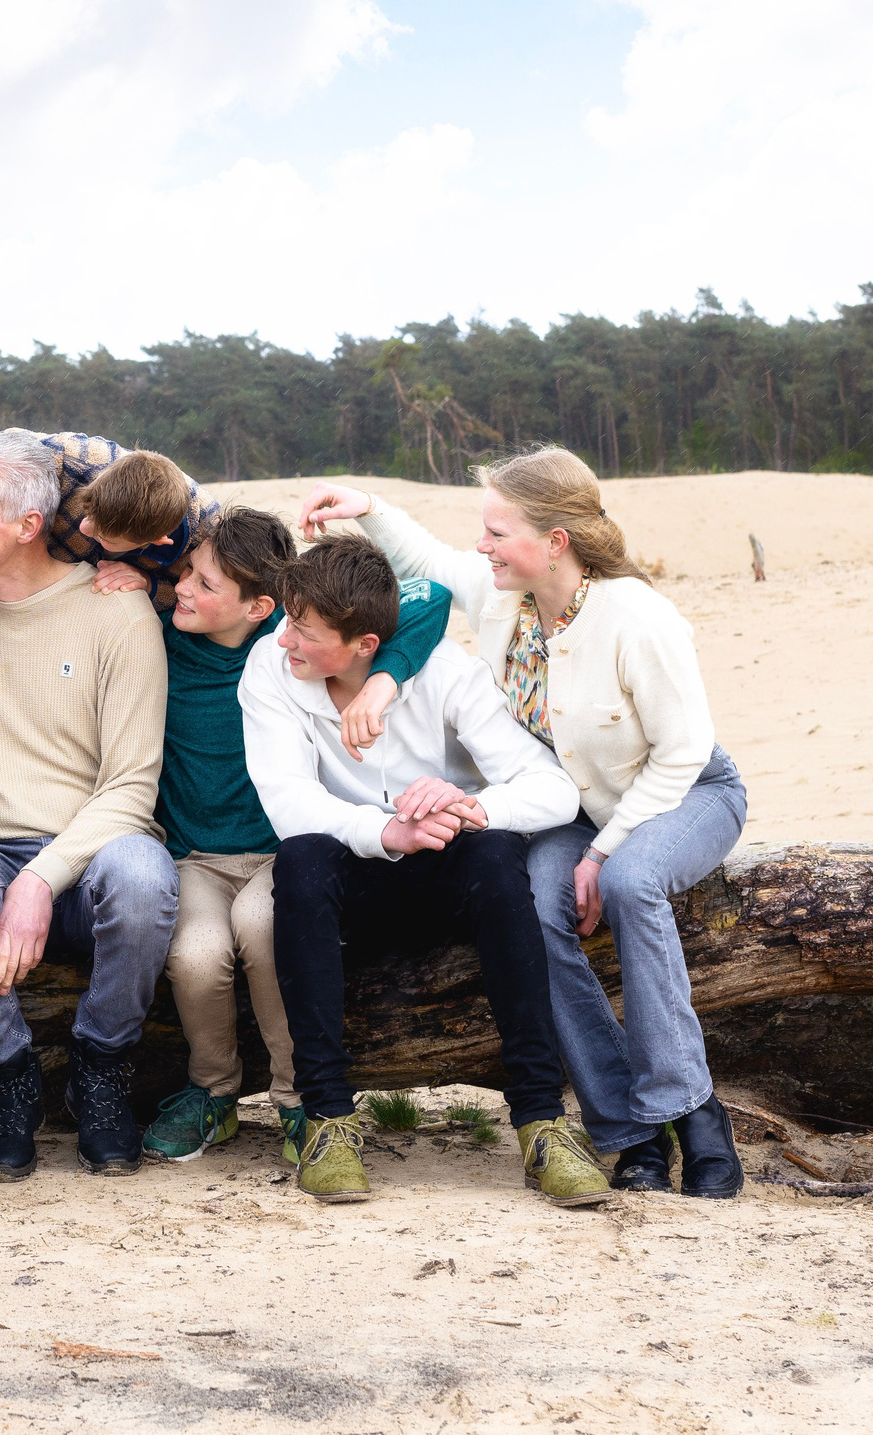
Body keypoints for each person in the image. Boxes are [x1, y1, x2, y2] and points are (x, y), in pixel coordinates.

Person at [301, 453, 750, 1198]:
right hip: (572, 804)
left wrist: (605, 851)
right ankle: (628, 1133)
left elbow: (683, 754)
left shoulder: (639, 620)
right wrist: (366, 505)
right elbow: (431, 563)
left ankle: (691, 1111)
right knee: (543, 910)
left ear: (556, 541)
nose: (483, 545)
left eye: (498, 530)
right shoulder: (505, 596)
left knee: (635, 882)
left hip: (684, 794)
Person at [241, 538, 589, 1206]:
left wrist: (467, 807)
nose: (284, 639)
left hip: (446, 871)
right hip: (354, 873)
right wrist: (386, 831)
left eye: (304, 631)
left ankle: (542, 1122)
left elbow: (553, 791)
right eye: (287, 621)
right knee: (302, 856)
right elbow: (289, 804)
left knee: (495, 851)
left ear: (366, 644)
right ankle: (330, 1121)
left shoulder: (447, 675)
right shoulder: (270, 668)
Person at [134, 505, 457, 1166]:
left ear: (262, 607)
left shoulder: (288, 644)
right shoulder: (162, 637)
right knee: (196, 955)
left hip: (282, 849)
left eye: (204, 583)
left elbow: (432, 595)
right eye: (187, 574)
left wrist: (384, 680)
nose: (183, 589)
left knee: (261, 927)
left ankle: (297, 1096)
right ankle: (213, 1091)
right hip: (194, 853)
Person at [0, 428, 175, 1180]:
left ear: (28, 525)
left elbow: (131, 786)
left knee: (145, 880)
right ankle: (11, 1076)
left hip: (89, 851)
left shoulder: (117, 611)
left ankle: (101, 1067)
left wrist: (39, 878)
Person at [0, 440, 222, 622]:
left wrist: (151, 585)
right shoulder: (74, 460)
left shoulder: (208, 537)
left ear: (156, 541)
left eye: (103, 536)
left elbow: (227, 600)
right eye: (88, 512)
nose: (84, 527)